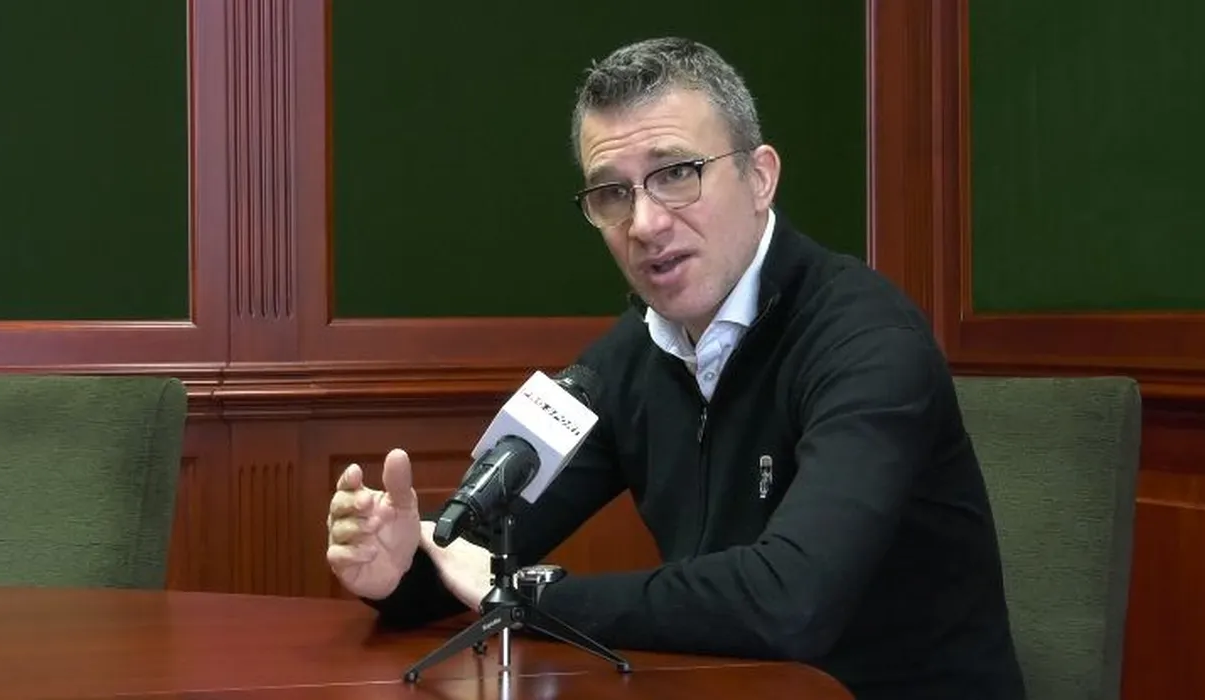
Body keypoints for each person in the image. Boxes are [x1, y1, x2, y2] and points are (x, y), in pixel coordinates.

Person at [326, 37, 1025, 700]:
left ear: (760, 177)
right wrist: (399, 569)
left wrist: (528, 596)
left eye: (676, 175)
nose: (645, 224)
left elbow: (791, 601)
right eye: (612, 192)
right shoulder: (626, 359)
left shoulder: (867, 341)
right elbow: (475, 557)